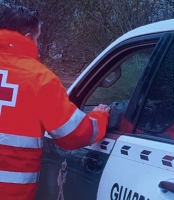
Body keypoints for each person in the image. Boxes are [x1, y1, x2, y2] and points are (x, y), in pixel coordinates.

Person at [0, 5, 110, 200]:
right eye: (37, 38)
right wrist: (100, 116)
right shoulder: (39, 79)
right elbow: (72, 134)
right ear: (27, 37)